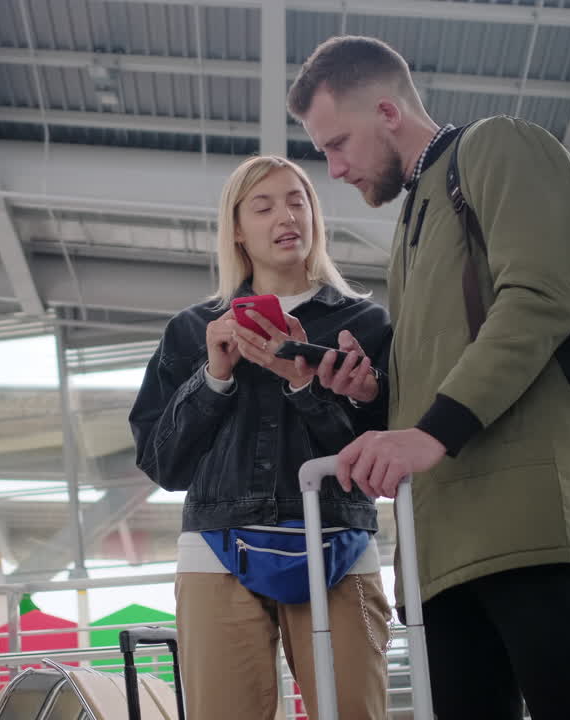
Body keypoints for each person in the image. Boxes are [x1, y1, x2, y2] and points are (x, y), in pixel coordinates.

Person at [287, 35, 570, 720]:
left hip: (527, 522)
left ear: (386, 110)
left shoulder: (499, 146)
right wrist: (375, 396)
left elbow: (541, 297)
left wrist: (430, 433)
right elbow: (450, 361)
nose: (336, 169)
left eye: (338, 144)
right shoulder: (416, 214)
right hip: (439, 548)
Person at [129, 154, 393, 720]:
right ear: (238, 230)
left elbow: (384, 461)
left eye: (298, 201)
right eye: (264, 205)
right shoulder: (191, 331)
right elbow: (163, 465)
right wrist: (214, 376)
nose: (286, 216)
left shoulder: (366, 325)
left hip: (339, 544)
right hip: (216, 550)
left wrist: (305, 386)